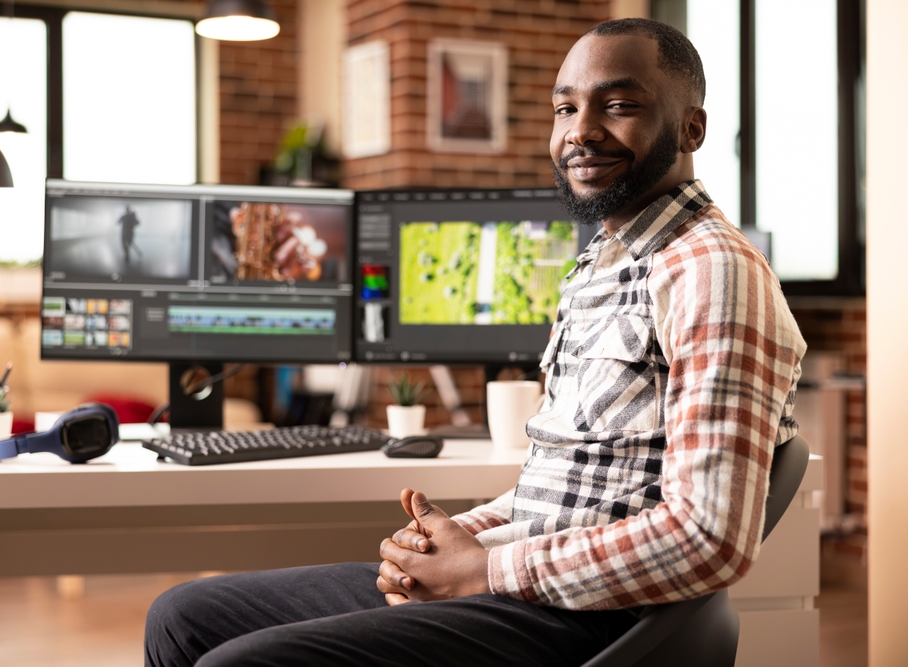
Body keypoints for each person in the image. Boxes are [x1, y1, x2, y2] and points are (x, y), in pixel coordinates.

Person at [144, 18, 806, 667]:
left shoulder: (711, 272)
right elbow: (562, 491)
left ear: (692, 127)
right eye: (565, 108)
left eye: (620, 105)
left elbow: (707, 538)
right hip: (528, 581)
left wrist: (487, 569)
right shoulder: (604, 259)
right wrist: (453, 544)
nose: (580, 131)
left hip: (593, 617)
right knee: (182, 617)